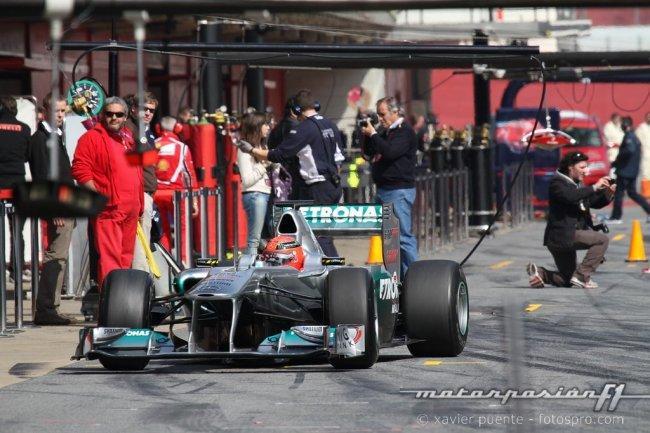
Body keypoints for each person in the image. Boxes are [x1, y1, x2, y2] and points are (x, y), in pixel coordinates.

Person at [245, 89, 344, 257]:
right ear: (315, 106)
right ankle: (329, 266)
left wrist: (252, 150)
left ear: (297, 110)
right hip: (334, 186)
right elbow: (339, 158)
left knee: (317, 235)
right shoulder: (330, 125)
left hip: (316, 188)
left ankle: (331, 268)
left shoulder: (304, 129)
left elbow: (279, 154)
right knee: (325, 233)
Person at [71, 97, 143, 286]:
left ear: (125, 117)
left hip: (131, 208)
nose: (114, 118)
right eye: (109, 113)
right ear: (103, 115)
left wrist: (140, 205)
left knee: (126, 258)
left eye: (119, 114)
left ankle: (123, 298)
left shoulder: (128, 137)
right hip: (109, 209)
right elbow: (80, 170)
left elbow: (137, 170)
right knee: (111, 259)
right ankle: (112, 299)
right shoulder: (90, 138)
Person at [527, 152, 615, 289]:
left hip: (563, 237)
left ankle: (541, 274)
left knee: (568, 279)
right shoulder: (558, 183)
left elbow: (590, 202)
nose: (586, 171)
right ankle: (582, 276)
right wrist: (594, 187)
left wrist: (607, 194)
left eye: (586, 167)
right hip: (563, 235)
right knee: (602, 240)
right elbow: (570, 197)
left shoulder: (576, 184)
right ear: (570, 167)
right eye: (582, 167)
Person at [28, 94, 75, 325]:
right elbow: (42, 176)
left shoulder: (55, 136)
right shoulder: (40, 139)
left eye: (63, 111)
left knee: (60, 257)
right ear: (44, 111)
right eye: (56, 111)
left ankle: (51, 307)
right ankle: (46, 309)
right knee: (56, 257)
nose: (60, 115)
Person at [360, 96, 418, 276]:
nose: (380, 118)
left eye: (382, 114)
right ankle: (395, 277)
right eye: (378, 114)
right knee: (388, 239)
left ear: (395, 112)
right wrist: (367, 135)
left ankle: (413, 277)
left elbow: (390, 151)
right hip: (383, 189)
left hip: (398, 190)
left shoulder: (404, 131)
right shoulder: (385, 131)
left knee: (403, 237)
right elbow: (369, 153)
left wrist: (374, 135)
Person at [153, 116, 198, 265]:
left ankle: (163, 261)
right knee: (183, 228)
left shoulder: (152, 145)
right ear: (178, 128)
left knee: (161, 229)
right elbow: (189, 175)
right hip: (177, 194)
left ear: (158, 128)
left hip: (156, 194)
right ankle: (183, 261)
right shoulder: (182, 147)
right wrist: (195, 200)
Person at [124, 92, 158, 274]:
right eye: (144, 109)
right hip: (138, 193)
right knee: (139, 239)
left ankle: (142, 274)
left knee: (143, 236)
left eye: (151, 110)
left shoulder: (143, 131)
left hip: (146, 192)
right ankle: (141, 275)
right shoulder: (129, 130)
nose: (148, 113)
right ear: (133, 109)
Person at [0, 96, 31, 281]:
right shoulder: (24, 129)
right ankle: (16, 271)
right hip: (17, 183)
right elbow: (27, 156)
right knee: (16, 229)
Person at [237, 112, 273, 255]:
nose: (268, 127)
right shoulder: (244, 150)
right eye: (265, 124)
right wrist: (264, 166)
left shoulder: (262, 147)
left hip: (266, 194)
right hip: (255, 195)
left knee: (265, 238)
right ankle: (249, 265)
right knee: (254, 240)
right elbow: (247, 180)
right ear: (256, 127)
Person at [608, 116, 650, 223]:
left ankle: (616, 217)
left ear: (626, 125)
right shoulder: (634, 136)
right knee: (632, 193)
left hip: (625, 171)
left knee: (619, 194)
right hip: (631, 171)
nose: (621, 126)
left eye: (622, 124)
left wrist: (618, 160)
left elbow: (629, 151)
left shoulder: (630, 136)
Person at [635, 112, 650, 198]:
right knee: (645, 173)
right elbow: (637, 140)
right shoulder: (641, 128)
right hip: (645, 155)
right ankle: (646, 193)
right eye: (648, 117)